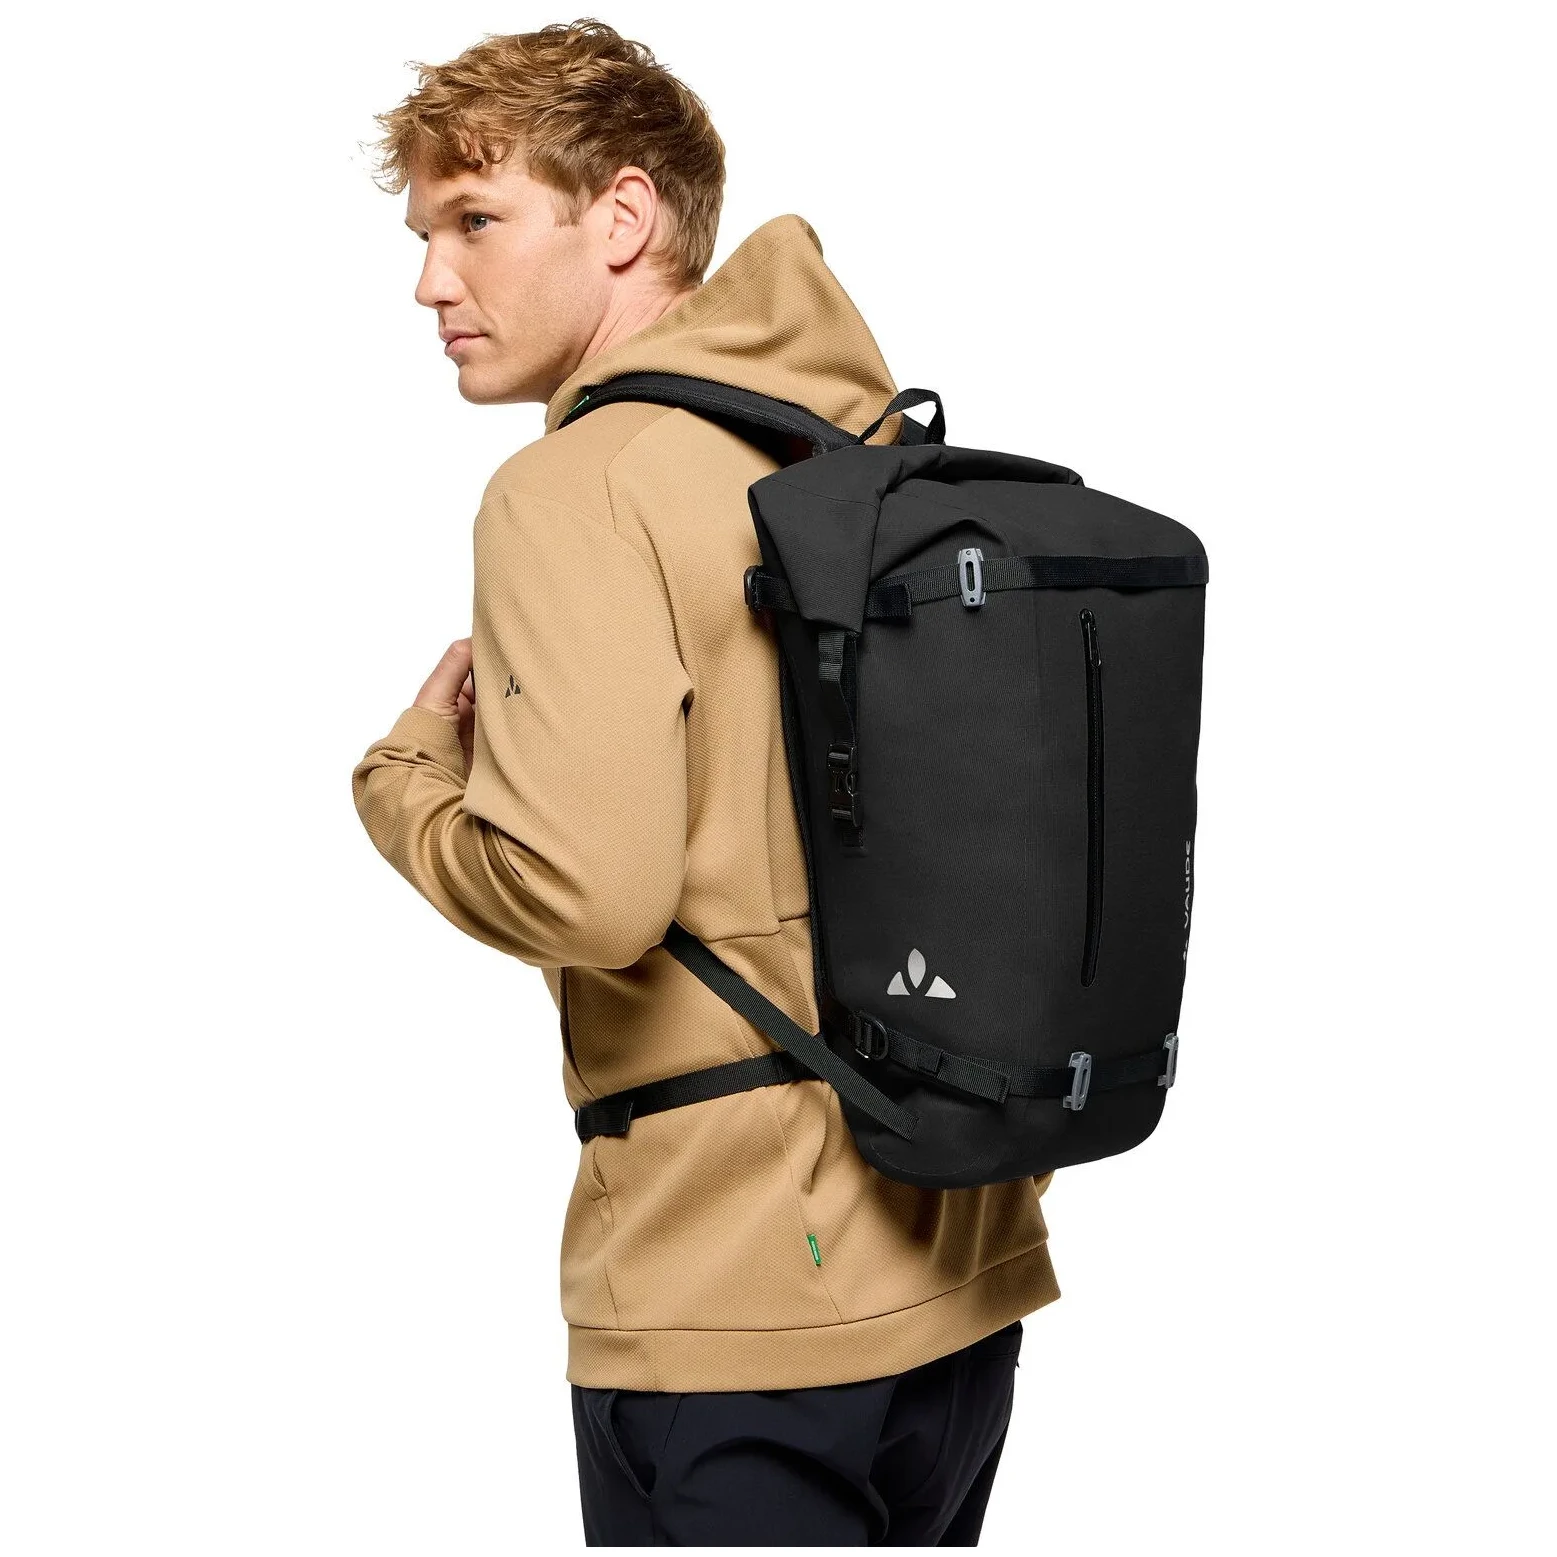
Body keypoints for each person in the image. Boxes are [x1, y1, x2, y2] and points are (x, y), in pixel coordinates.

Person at [351, 20, 1059, 1546]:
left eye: (475, 221)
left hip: (731, 1309)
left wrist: (405, 780)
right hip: (954, 1279)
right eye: (422, 237)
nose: (431, 282)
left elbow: (588, 896)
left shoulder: (576, 489)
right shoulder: (859, 456)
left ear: (622, 217)